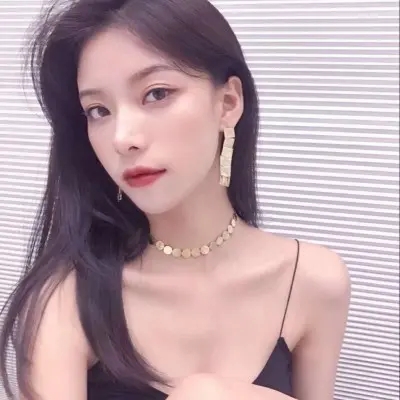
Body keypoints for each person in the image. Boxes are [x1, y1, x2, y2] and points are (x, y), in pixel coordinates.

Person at [0, 0, 351, 399]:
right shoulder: (67, 298)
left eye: (156, 93)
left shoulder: (313, 281)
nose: (123, 138)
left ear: (228, 103)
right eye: (98, 111)